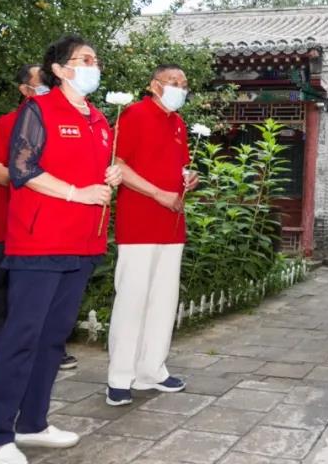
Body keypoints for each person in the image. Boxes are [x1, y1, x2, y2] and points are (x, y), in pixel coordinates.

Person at [0, 35, 120, 464]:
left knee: (53, 339)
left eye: (95, 59)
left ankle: (33, 423)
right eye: (84, 59)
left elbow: (92, 170)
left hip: (83, 242)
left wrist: (112, 174)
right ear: (58, 69)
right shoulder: (38, 110)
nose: (93, 65)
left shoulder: (99, 119)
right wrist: (77, 193)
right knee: (22, 337)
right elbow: (22, 169)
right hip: (40, 242)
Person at [0, 65, 77, 388]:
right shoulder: (8, 123)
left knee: (53, 297)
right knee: (4, 295)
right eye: (40, 82)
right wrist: (38, 177)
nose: (47, 86)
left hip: (59, 226)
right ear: (24, 89)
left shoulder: (70, 121)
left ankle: (49, 352)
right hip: (16, 225)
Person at [106, 64, 198, 407]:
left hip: (172, 225)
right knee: (132, 301)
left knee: (163, 302)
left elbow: (180, 167)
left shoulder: (178, 124)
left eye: (184, 84)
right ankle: (120, 378)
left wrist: (189, 178)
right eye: (173, 82)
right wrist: (158, 193)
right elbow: (118, 165)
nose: (180, 88)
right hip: (139, 224)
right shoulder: (135, 114)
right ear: (154, 85)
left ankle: (151, 370)